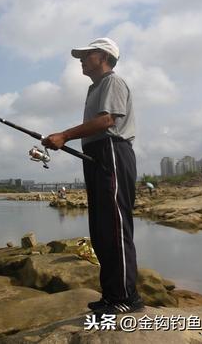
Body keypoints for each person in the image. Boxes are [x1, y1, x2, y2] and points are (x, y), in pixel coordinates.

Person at [42, 37, 143, 315]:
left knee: (114, 225)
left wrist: (64, 136)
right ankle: (111, 295)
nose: (81, 60)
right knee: (100, 229)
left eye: (87, 55)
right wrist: (65, 140)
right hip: (98, 153)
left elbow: (107, 121)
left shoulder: (112, 81)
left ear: (103, 56)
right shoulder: (94, 88)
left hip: (112, 151)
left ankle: (126, 298)